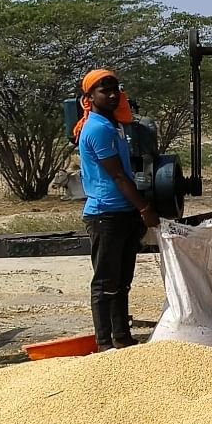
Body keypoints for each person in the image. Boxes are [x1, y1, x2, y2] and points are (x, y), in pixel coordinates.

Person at [75, 70, 160, 350]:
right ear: (90, 97)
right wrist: (145, 208)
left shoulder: (114, 126)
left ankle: (122, 337)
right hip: (105, 214)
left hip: (122, 212)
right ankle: (104, 343)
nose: (112, 95)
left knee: (122, 282)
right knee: (105, 283)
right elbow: (119, 177)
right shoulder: (98, 128)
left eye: (115, 90)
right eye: (104, 91)